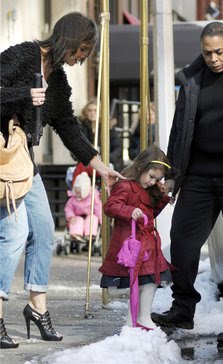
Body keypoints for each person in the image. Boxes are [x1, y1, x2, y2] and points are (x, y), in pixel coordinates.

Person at [0, 12, 124, 349]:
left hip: (25, 164)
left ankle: (37, 308)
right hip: (3, 162)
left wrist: (99, 164)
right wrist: (24, 95)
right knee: (13, 234)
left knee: (43, 232)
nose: (83, 56)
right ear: (68, 40)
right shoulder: (23, 56)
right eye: (82, 48)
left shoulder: (59, 81)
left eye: (87, 51)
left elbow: (68, 127)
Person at [150, 21, 223, 345]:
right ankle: (182, 309)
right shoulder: (191, 80)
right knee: (182, 240)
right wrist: (171, 173)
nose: (213, 58)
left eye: (219, 51)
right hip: (199, 176)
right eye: (207, 53)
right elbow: (180, 129)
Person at [99, 146, 174, 330]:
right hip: (131, 243)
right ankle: (136, 318)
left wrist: (163, 199)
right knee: (140, 283)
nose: (152, 181)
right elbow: (110, 207)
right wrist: (130, 211)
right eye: (151, 176)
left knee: (150, 282)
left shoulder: (149, 190)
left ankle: (142, 316)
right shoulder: (126, 186)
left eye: (156, 179)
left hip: (147, 244)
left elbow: (150, 215)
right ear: (141, 167)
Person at [79, 99, 123, 171]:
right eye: (90, 110)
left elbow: (118, 147)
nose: (92, 113)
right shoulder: (82, 127)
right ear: (86, 112)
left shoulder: (108, 126)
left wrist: (108, 158)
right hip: (88, 163)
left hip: (106, 162)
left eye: (95, 110)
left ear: (100, 112)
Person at [64, 171, 102, 243]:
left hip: (90, 215)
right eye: (76, 192)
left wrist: (101, 219)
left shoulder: (93, 197)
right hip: (77, 216)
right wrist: (71, 216)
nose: (78, 195)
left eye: (80, 193)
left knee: (92, 219)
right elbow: (68, 208)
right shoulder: (73, 199)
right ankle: (76, 234)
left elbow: (98, 209)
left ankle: (90, 235)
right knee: (76, 220)